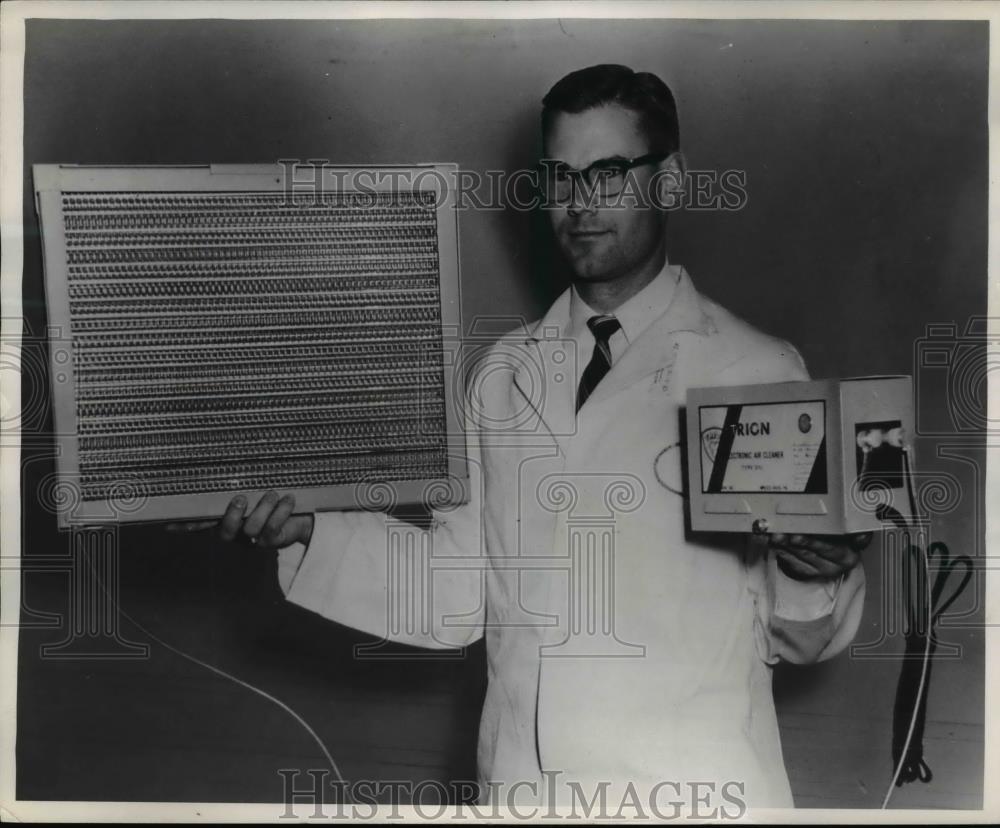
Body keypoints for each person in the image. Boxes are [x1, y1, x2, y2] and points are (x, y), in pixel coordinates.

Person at [191, 64, 867, 810]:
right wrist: (308, 530)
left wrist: (812, 571)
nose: (579, 204)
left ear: (670, 182)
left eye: (608, 174)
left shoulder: (756, 371)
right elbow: (456, 592)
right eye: (561, 176)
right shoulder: (503, 373)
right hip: (525, 793)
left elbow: (797, 637)